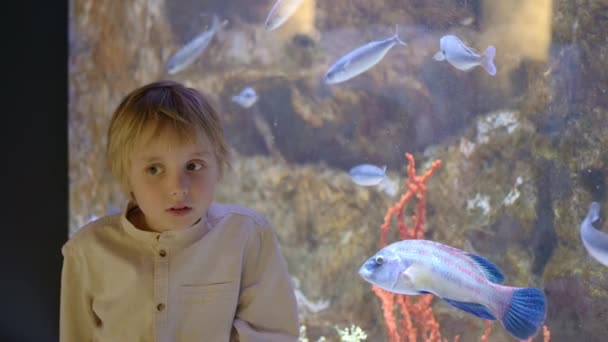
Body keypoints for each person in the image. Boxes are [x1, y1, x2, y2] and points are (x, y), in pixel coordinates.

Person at [60, 80, 300, 341]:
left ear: (219, 166)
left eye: (194, 166)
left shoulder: (249, 236)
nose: (177, 188)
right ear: (126, 175)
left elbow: (275, 334)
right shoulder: (86, 252)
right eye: (154, 169)